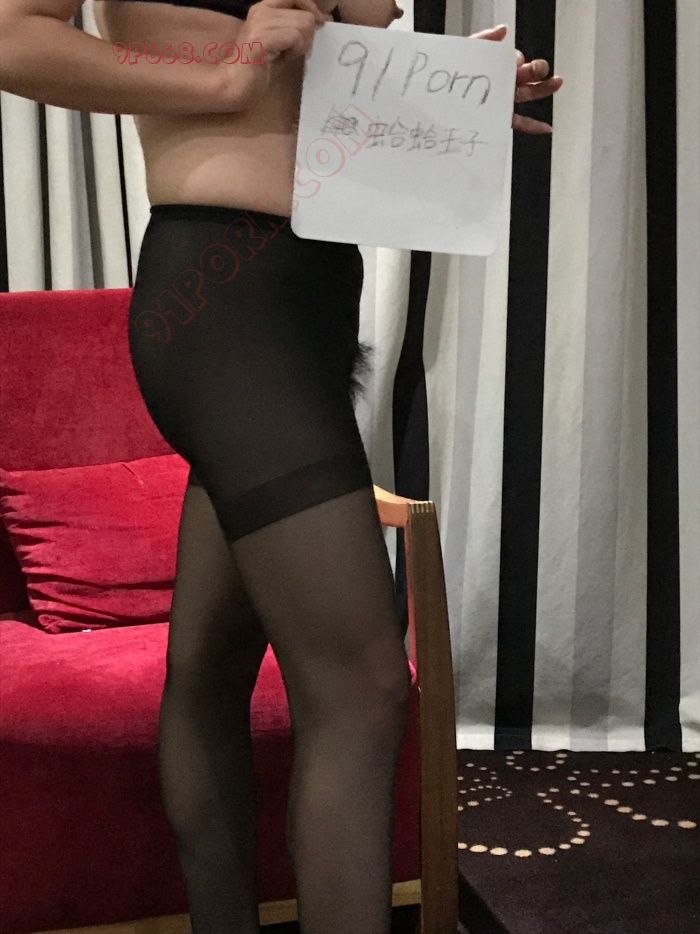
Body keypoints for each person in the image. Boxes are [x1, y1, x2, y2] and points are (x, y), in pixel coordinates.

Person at [0, 3, 561, 932]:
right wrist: (221, 78)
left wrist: (443, 100)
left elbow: (334, 61)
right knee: (364, 685)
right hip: (227, 300)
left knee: (211, 667)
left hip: (307, 298)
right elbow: (14, 37)